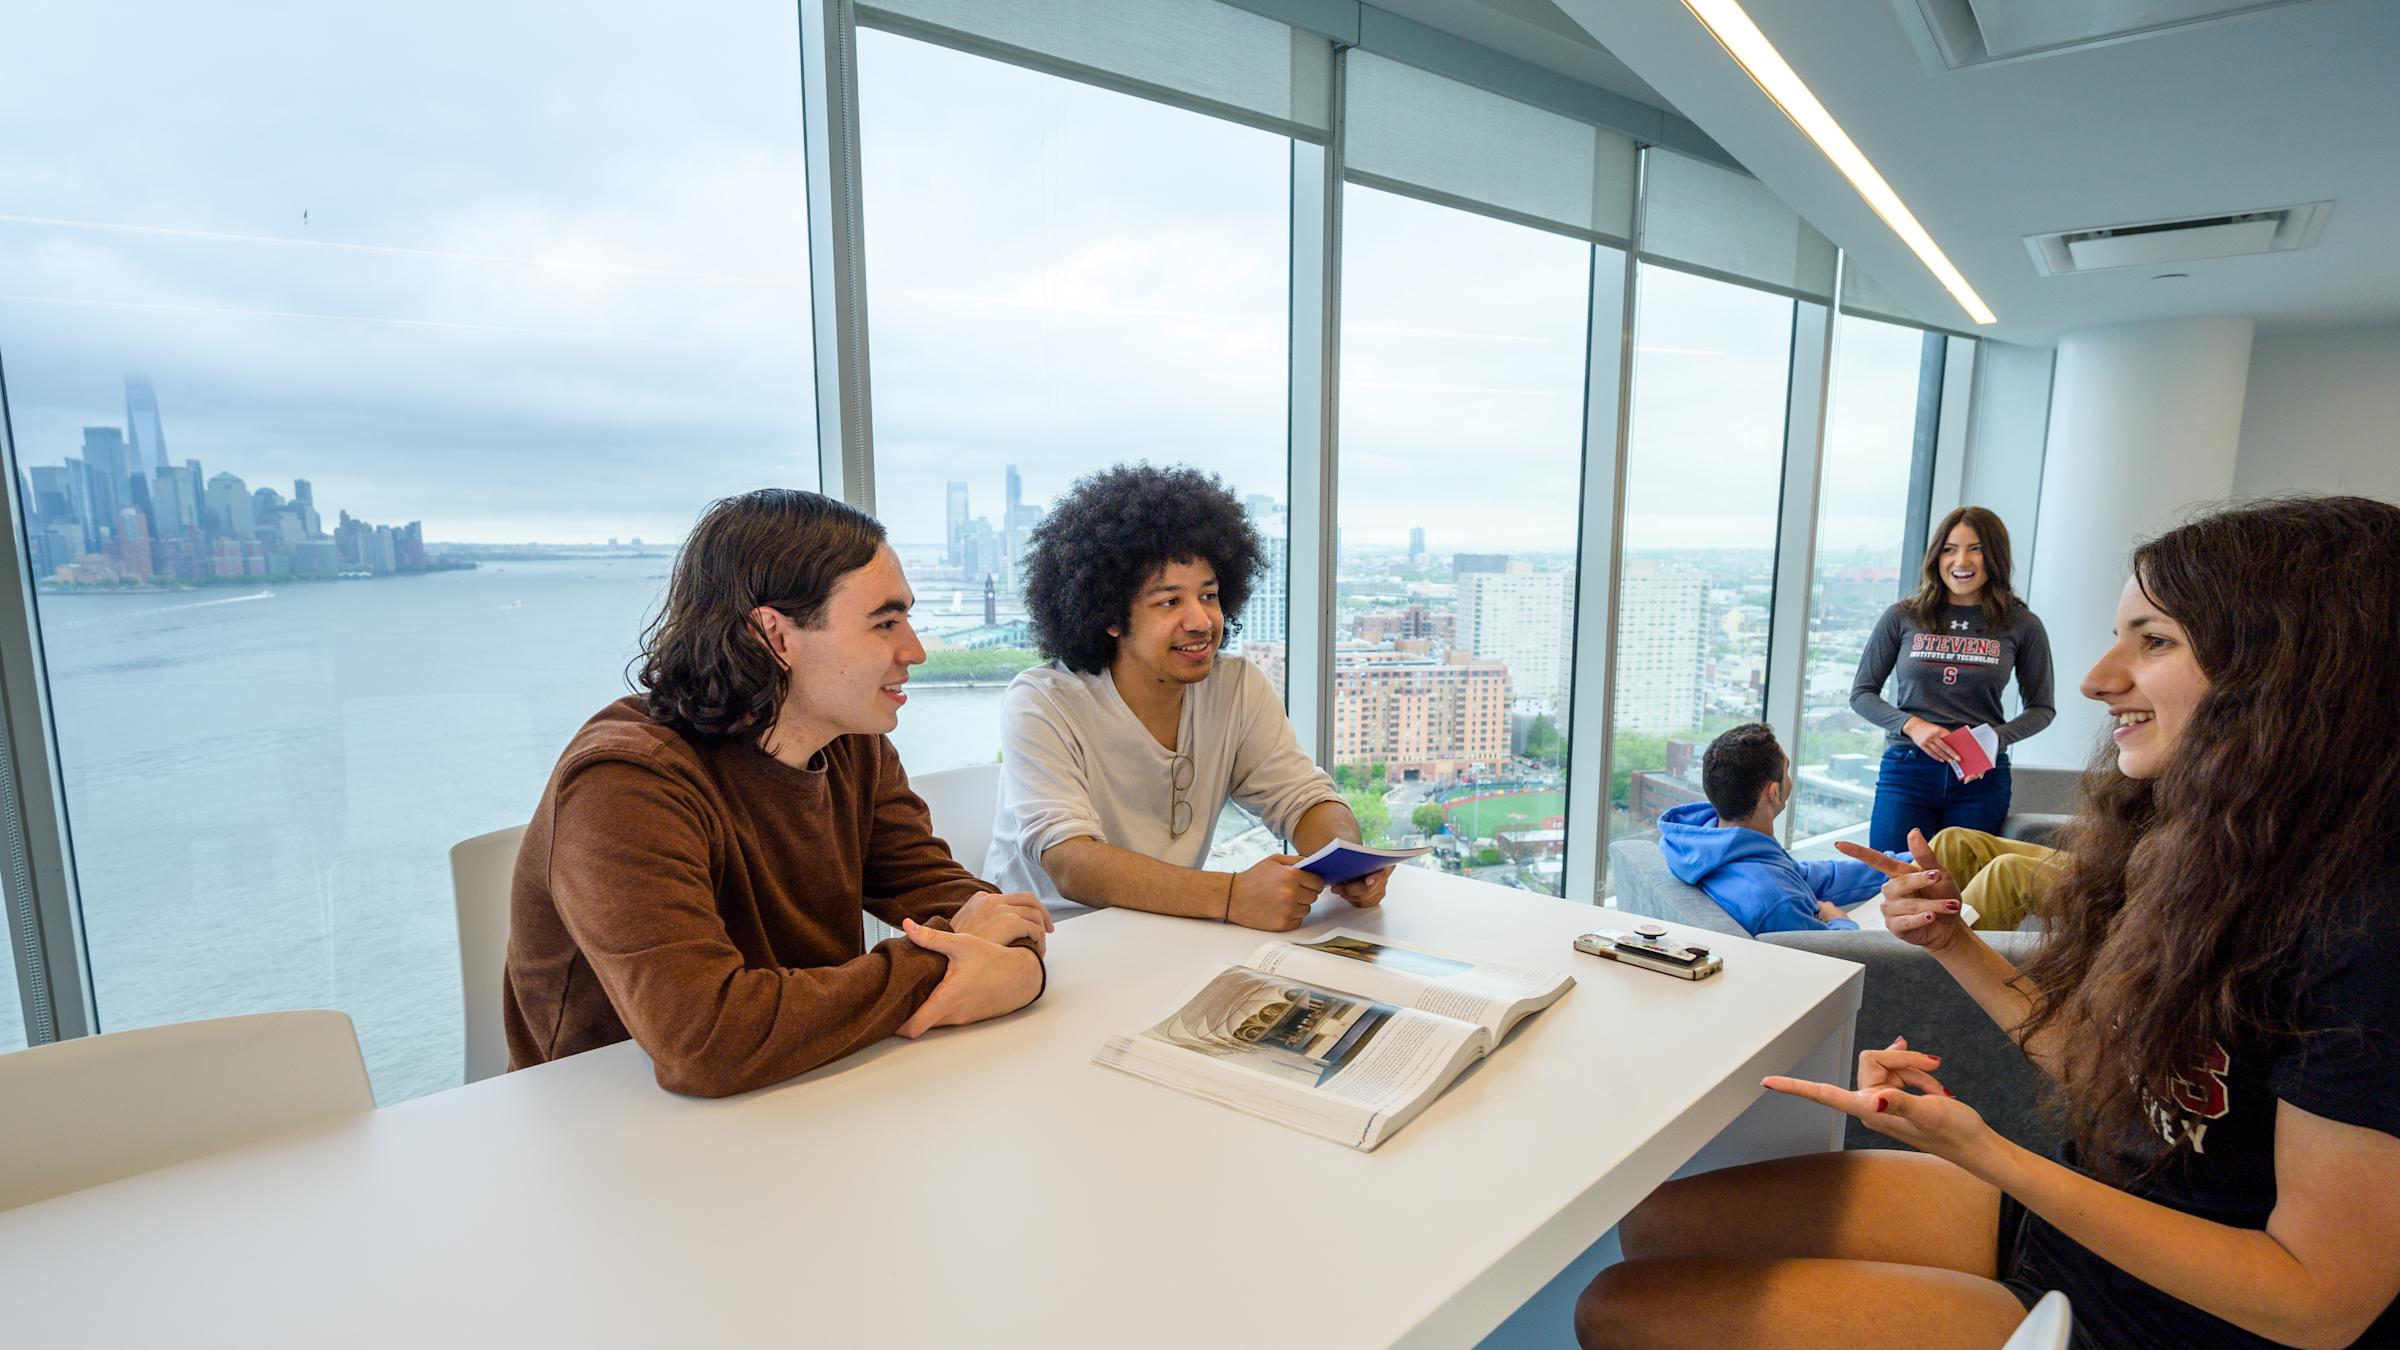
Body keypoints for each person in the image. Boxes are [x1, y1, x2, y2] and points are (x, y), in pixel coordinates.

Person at [1577, 496, 2400, 1349]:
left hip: (2151, 1318)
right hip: (2078, 1223)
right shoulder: (2204, 848)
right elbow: (2103, 1062)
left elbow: (2320, 1300)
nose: (2097, 678)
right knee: (1660, 1222)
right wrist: (1951, 941)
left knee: (1616, 1311)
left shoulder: (2365, 932)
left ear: (2290, 675)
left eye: (2154, 641)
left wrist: (1988, 1152)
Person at [505, 489, 1052, 1097]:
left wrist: (1013, 957)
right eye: (885, 623)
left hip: (801, 1092)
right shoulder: (624, 784)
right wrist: (947, 966)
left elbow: (971, 907)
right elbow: (707, 1041)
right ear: (774, 636)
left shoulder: (850, 743)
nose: (915, 651)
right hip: (609, 1135)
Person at [985, 464, 1388, 931]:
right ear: (1112, 617)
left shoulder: (1236, 686)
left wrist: (1349, 860)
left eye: (1210, 596)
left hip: (1171, 930)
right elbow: (1072, 864)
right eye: (1170, 601)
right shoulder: (1042, 702)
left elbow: (1302, 797)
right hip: (1049, 942)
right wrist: (1233, 895)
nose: (1200, 621)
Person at [1850, 506, 2055, 853]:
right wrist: (1912, 725)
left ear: (1995, 556)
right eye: (1950, 548)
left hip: (1980, 778)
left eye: (1976, 548)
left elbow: (2042, 708)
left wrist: (1992, 740)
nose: (1962, 560)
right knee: (1893, 879)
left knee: (1963, 892)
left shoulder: (2022, 624)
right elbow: (1862, 693)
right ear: (1936, 556)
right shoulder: (1903, 616)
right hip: (1907, 769)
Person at [1655, 723, 1884, 936]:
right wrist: (1840, 921)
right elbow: (1832, 963)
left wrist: (1903, 864)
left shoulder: (1705, 848)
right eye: (1786, 771)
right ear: (1774, 792)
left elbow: (1805, 876)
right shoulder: (1777, 900)